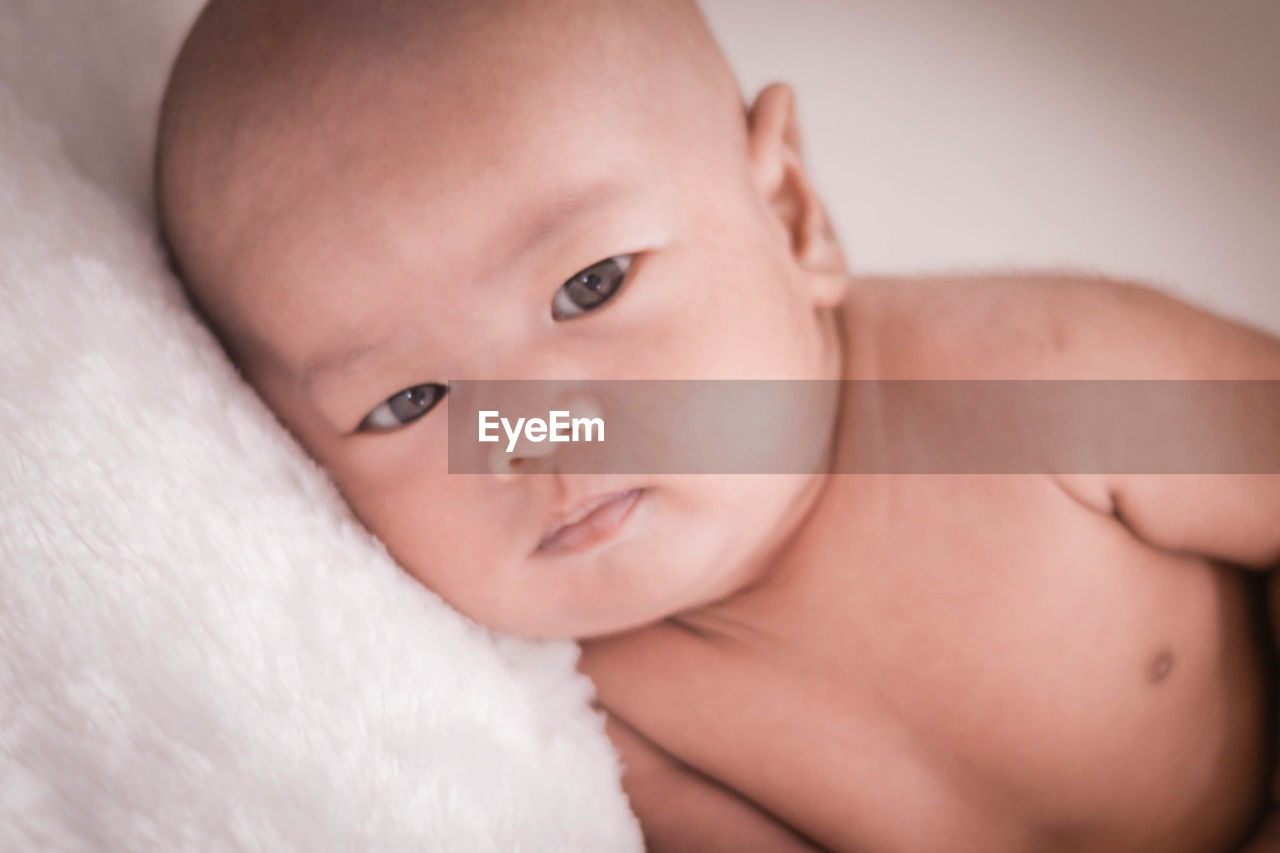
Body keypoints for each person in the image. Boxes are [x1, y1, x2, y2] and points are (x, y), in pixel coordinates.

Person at [154, 1, 1280, 849]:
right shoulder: (594, 711)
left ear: (789, 209)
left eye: (590, 285)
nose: (537, 435)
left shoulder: (1039, 380)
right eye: (408, 403)